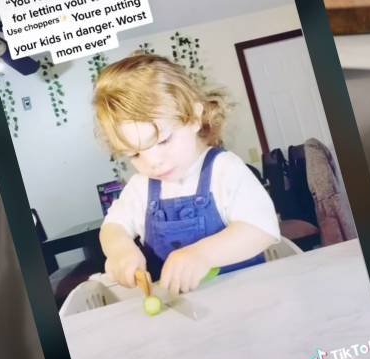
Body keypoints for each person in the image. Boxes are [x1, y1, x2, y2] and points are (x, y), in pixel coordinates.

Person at [93, 53, 280, 295]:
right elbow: (113, 226)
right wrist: (120, 250)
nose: (154, 163)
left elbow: (261, 229)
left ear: (193, 117)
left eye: (163, 140)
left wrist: (202, 255)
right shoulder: (141, 187)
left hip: (247, 301)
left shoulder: (225, 169)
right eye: (135, 154)